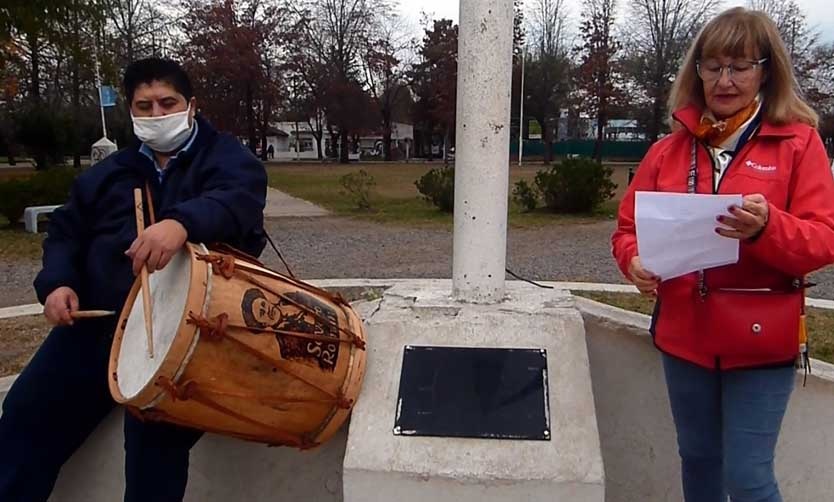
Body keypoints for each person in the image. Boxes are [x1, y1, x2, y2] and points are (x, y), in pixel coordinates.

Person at [0, 58, 267, 501]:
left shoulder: (227, 158)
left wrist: (181, 223)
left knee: (154, 448)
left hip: (187, 332)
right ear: (131, 111)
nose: (157, 114)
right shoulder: (108, 174)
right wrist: (58, 283)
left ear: (191, 105)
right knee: (26, 417)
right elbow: (66, 232)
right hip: (98, 324)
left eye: (168, 103)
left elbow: (237, 202)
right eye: (145, 106)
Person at [612, 8, 834, 502]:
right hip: (683, 338)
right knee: (698, 464)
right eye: (712, 66)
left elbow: (823, 240)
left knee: (748, 479)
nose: (724, 80)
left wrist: (767, 228)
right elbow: (627, 229)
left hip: (760, 344)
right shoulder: (667, 151)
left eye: (739, 66)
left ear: (766, 70)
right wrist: (633, 261)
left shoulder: (799, 144)